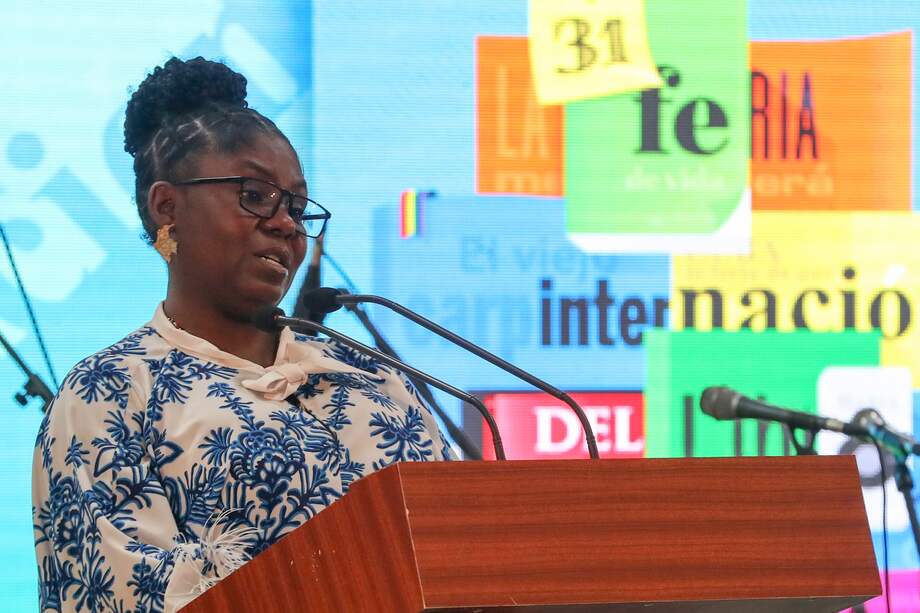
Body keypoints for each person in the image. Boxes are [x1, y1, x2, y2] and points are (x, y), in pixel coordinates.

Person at [32, 56, 455, 613]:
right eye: (254, 195)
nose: (285, 223)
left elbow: (466, 551)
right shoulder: (110, 392)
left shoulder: (375, 380)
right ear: (168, 207)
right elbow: (118, 596)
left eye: (298, 207)